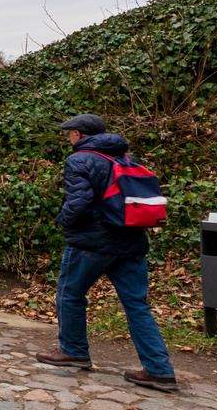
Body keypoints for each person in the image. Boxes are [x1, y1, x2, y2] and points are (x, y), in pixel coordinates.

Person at [35, 114, 177, 392]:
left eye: (70, 134)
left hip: (92, 243)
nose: (68, 139)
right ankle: (159, 370)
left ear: (77, 134)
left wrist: (62, 220)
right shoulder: (127, 158)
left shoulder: (79, 160)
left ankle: (73, 351)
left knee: (70, 294)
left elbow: (79, 203)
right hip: (132, 240)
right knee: (137, 305)